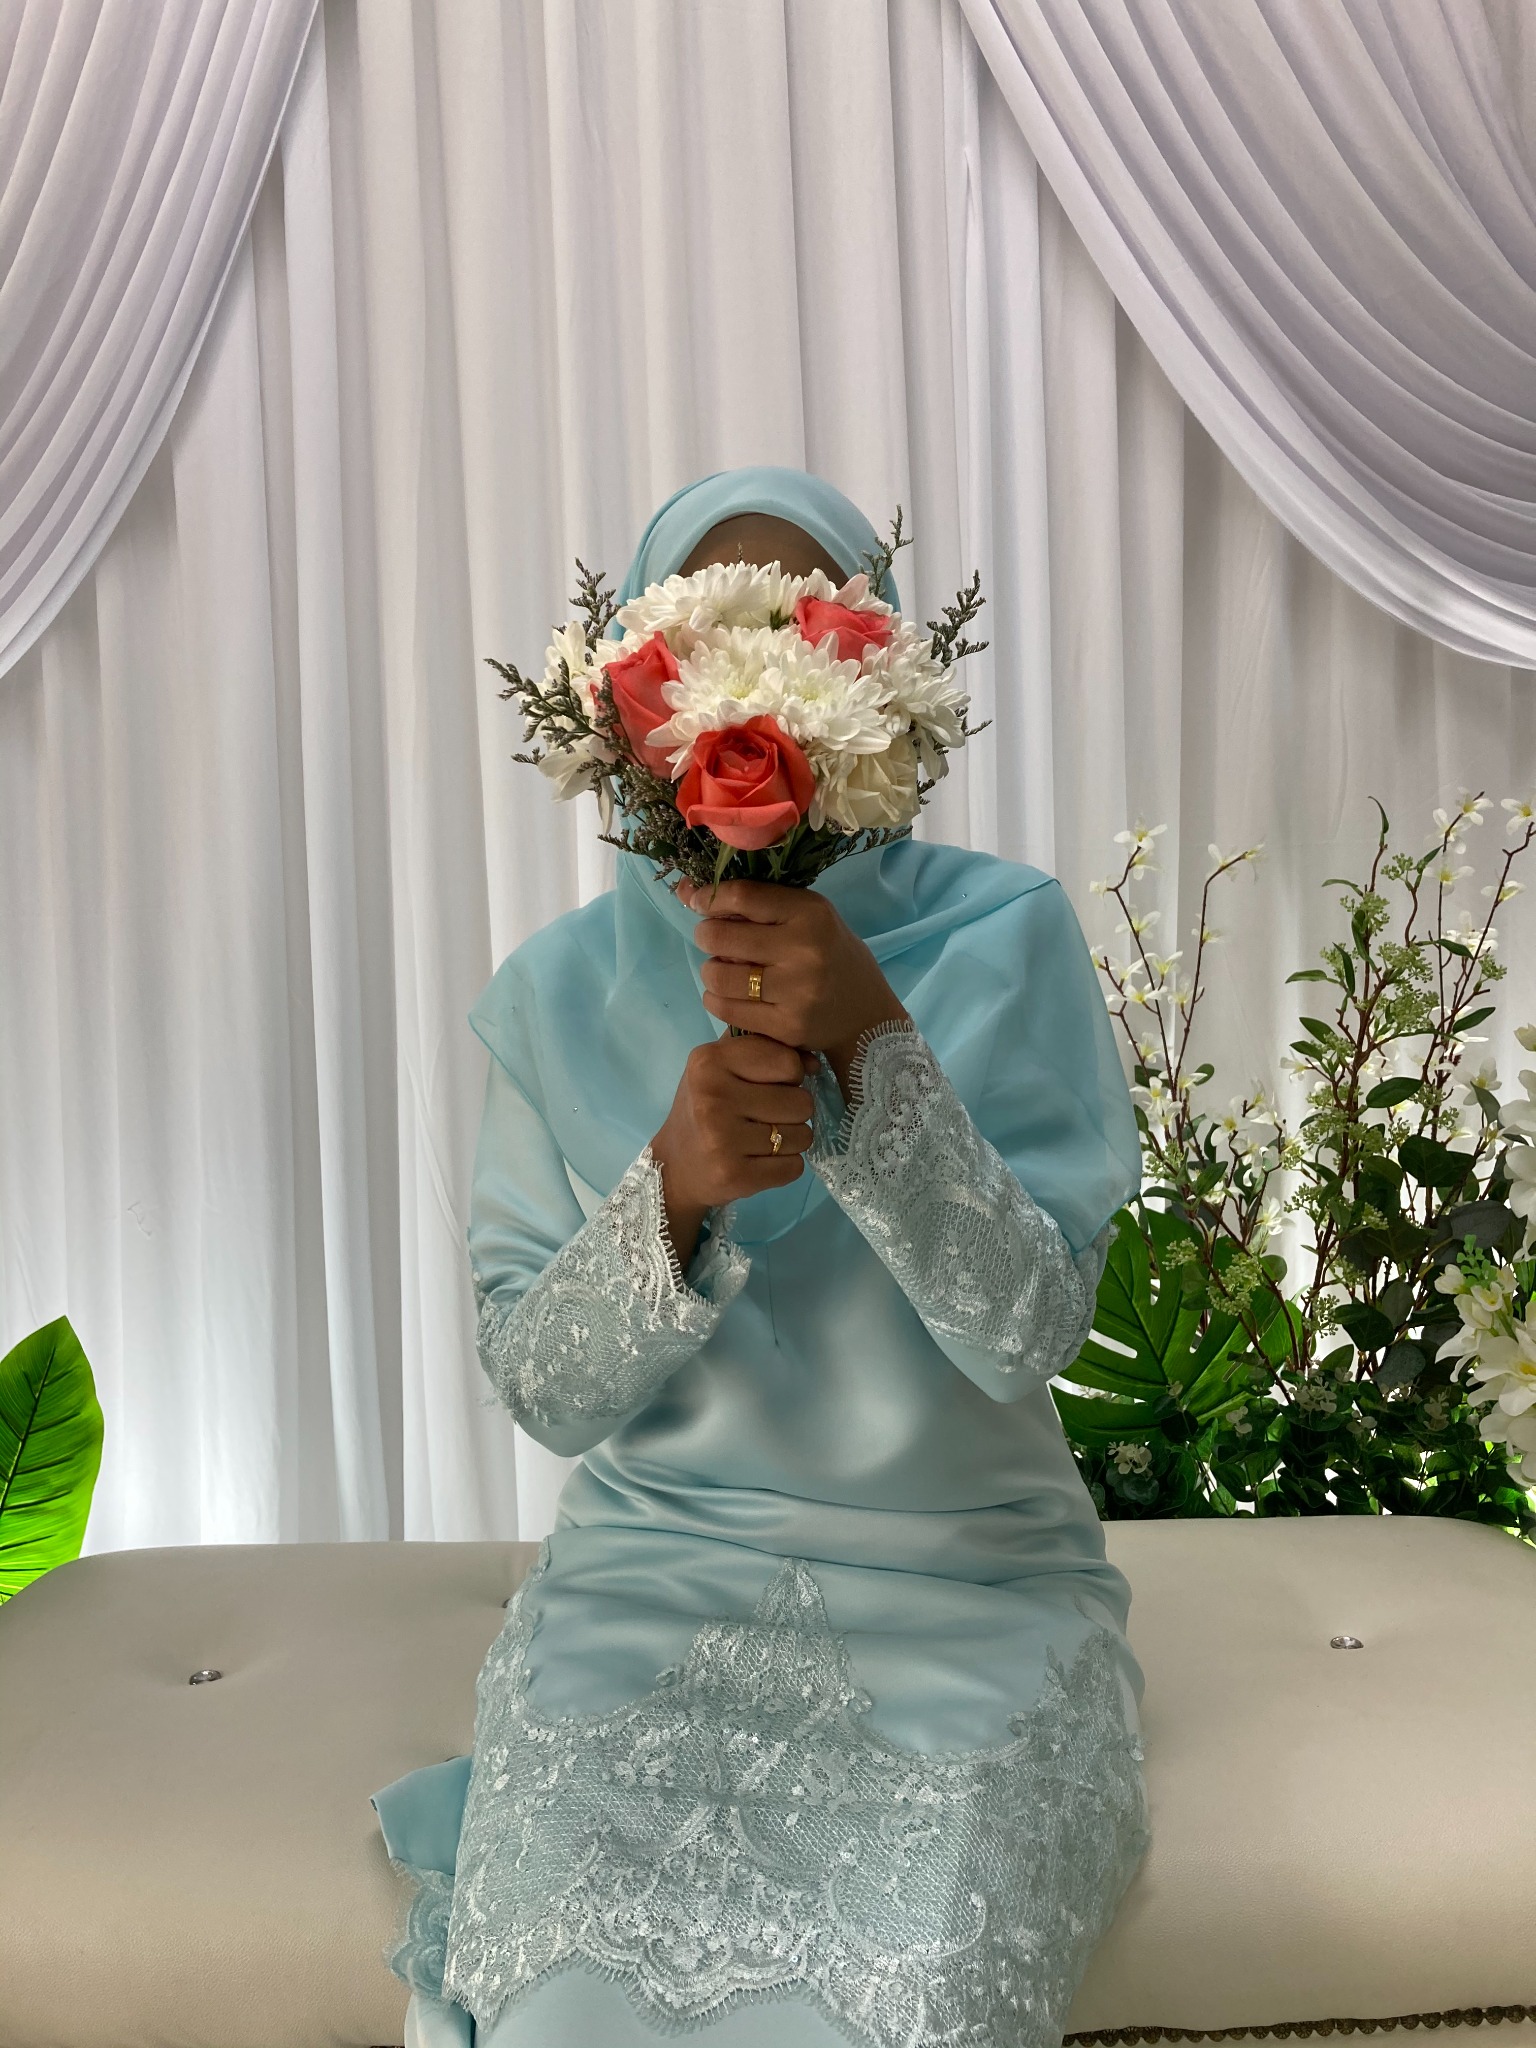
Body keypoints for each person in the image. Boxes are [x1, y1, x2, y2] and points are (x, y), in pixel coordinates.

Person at [370, 466, 1150, 2048]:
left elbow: (1027, 1335)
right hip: (646, 1588)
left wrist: (872, 1043)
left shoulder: (1005, 937)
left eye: (804, 633)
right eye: (709, 645)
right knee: (561, 2011)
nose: (755, 682)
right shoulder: (557, 991)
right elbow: (544, 1391)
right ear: (634, 707)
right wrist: (672, 1187)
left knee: (907, 2003)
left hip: (965, 1586)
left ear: (880, 680)